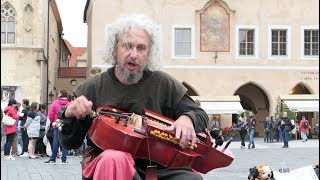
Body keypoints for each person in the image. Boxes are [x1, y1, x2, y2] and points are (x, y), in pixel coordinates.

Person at [58, 14, 208, 180]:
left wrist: (188, 118)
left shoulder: (164, 83)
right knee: (113, 159)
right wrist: (68, 115)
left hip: (158, 167)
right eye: (127, 46)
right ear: (115, 48)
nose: (134, 54)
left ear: (148, 53)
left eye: (141, 48)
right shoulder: (91, 88)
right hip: (108, 166)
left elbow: (200, 115)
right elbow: (70, 143)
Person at [44, 89, 70, 164]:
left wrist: (53, 122)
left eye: (58, 93)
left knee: (56, 141)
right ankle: (64, 159)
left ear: (61, 94)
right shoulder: (69, 103)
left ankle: (53, 158)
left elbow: (50, 114)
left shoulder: (55, 103)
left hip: (57, 124)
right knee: (65, 141)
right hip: (66, 124)